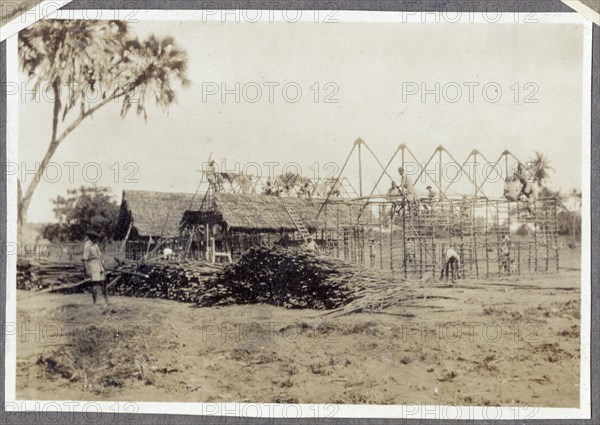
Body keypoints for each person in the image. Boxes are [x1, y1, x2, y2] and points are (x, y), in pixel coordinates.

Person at [82, 230, 108, 305]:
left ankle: (107, 301)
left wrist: (103, 265)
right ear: (92, 237)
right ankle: (95, 302)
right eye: (96, 237)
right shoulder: (87, 245)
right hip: (93, 266)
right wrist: (87, 270)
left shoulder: (95, 245)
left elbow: (100, 256)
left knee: (104, 283)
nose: (97, 239)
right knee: (95, 284)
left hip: (99, 265)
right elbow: (85, 258)